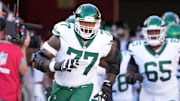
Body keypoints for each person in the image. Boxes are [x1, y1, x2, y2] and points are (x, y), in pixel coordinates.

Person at [32, 3, 120, 101]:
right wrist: (57, 66)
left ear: (98, 23)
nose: (87, 28)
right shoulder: (64, 35)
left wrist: (107, 84)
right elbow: (37, 60)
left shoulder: (102, 40)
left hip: (85, 87)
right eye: (84, 23)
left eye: (91, 23)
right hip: (61, 86)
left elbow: (115, 63)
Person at [126, 15, 180, 101]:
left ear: (163, 31)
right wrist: (132, 77)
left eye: (156, 31)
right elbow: (130, 72)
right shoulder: (137, 49)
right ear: (144, 32)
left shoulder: (174, 46)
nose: (153, 35)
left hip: (170, 95)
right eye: (150, 32)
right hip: (147, 95)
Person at [0, 16, 28, 101]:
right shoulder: (14, 50)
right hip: (9, 97)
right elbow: (23, 71)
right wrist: (23, 48)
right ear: (6, 29)